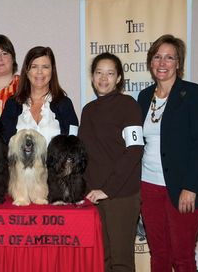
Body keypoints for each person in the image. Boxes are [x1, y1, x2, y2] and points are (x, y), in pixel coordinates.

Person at [137, 34, 198, 271]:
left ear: (178, 63)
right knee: (159, 255)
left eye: (169, 57)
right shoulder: (144, 96)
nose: (162, 63)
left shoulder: (194, 93)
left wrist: (190, 187)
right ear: (150, 62)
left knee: (183, 257)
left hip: (183, 188)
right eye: (157, 57)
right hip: (148, 186)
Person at [78, 52, 144, 272]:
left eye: (109, 73)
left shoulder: (129, 106)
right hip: (93, 196)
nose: (103, 78)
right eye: (98, 72)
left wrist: (108, 189)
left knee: (121, 261)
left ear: (118, 78)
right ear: (92, 76)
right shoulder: (88, 110)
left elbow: (134, 151)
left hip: (121, 195)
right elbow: (83, 153)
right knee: (101, 259)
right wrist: (85, 188)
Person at [0, 46, 79, 145]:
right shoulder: (12, 104)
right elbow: (2, 144)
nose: (39, 72)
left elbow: (73, 144)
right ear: (27, 71)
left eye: (45, 67)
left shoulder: (64, 104)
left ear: (52, 71)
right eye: (34, 67)